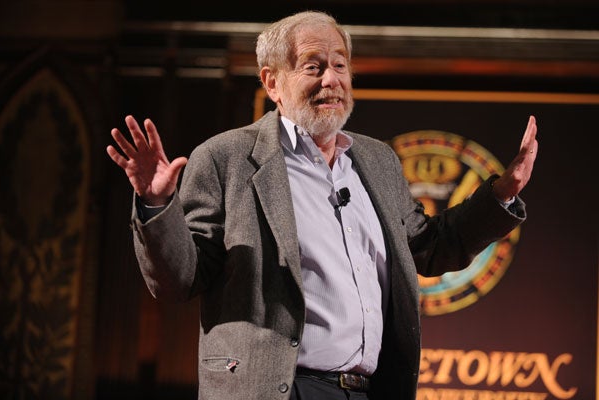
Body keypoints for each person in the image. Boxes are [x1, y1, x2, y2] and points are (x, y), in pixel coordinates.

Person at [106, 11, 538, 400]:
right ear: (272, 82)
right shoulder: (227, 158)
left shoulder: (377, 161)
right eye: (312, 66)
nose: (330, 79)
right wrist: (156, 202)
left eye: (340, 65)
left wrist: (501, 194)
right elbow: (180, 279)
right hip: (276, 388)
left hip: (368, 389)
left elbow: (427, 247)